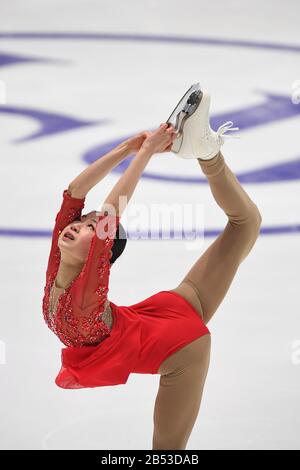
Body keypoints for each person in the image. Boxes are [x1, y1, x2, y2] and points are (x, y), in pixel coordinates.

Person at [42, 90, 262, 450]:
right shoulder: (60, 262)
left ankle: (207, 152)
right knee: (168, 453)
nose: (77, 225)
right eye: (81, 222)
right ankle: (206, 150)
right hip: (171, 337)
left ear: (100, 249)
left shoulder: (86, 287)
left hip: (164, 331)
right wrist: (128, 147)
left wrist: (145, 153)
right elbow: (75, 192)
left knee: (246, 223)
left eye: (88, 227)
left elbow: (112, 210)